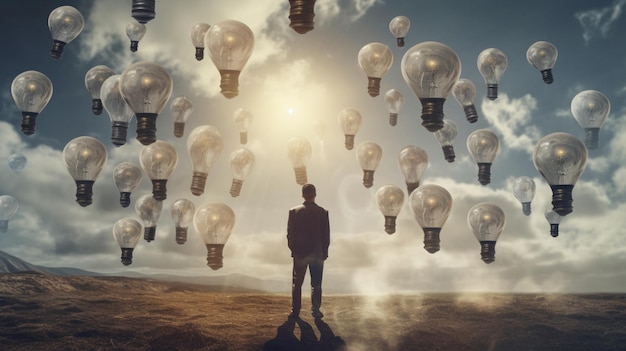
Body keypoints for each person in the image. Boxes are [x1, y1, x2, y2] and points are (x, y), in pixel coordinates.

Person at [287, 183, 330, 319]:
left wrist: (294, 249)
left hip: (300, 252)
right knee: (316, 283)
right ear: (315, 194)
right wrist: (324, 252)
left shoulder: (294, 212)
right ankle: (315, 309)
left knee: (297, 283)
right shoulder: (323, 212)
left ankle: (296, 310)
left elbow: (290, 233)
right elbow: (326, 235)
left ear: (303, 195)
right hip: (317, 253)